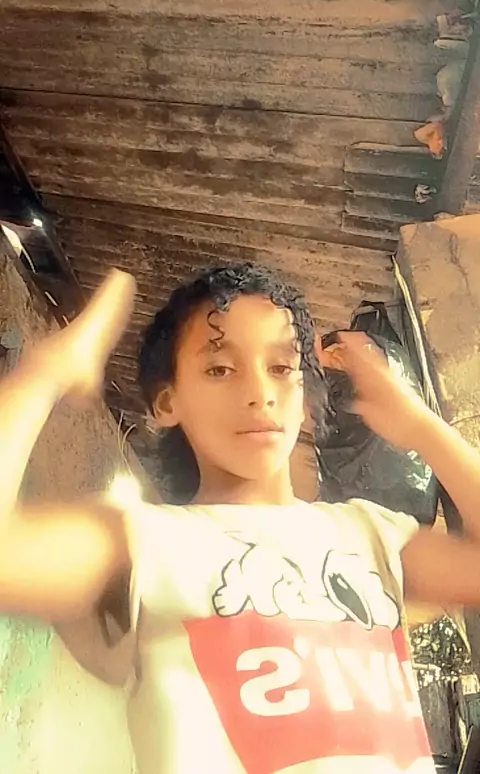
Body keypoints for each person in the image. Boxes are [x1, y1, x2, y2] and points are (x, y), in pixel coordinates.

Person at [2, 262, 480, 774]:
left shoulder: (372, 537)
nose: (260, 393)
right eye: (220, 369)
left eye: (282, 368)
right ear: (167, 401)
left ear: (306, 402)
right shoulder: (147, 542)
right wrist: (46, 372)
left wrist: (421, 425)